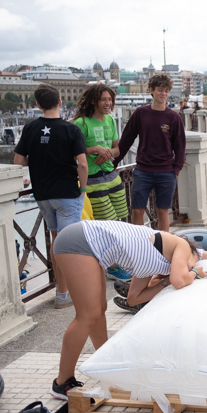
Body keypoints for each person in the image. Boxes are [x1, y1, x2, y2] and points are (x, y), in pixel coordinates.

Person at [50, 220, 207, 399]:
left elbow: (134, 298)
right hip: (80, 240)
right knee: (88, 315)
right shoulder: (184, 248)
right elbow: (179, 280)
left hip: (89, 244)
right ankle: (62, 382)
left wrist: (165, 282)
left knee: (99, 310)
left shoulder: (159, 262)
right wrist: (194, 274)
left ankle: (105, 366)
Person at [14, 84, 88, 310]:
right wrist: (83, 190)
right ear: (60, 102)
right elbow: (82, 164)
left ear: (38, 105)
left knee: (57, 241)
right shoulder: (71, 130)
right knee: (69, 244)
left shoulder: (30, 128)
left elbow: (19, 161)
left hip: (43, 195)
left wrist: (38, 158)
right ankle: (68, 294)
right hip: (67, 194)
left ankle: (62, 292)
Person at [113, 223, 207, 312]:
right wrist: (191, 275)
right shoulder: (191, 256)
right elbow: (154, 282)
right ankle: (135, 298)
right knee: (134, 299)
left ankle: (133, 295)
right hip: (166, 305)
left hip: (188, 313)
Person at [71, 84, 131, 281]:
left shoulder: (110, 120)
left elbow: (116, 149)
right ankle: (111, 266)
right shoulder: (81, 123)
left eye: (110, 99)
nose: (108, 103)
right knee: (106, 224)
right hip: (93, 180)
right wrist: (95, 149)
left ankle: (120, 260)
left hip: (112, 176)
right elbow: (72, 153)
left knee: (120, 221)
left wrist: (108, 153)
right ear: (93, 101)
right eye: (103, 99)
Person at [116, 73, 185, 232]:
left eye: (166, 90)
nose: (163, 93)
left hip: (166, 172)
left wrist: (176, 169)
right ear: (151, 90)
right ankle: (139, 242)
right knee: (137, 210)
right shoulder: (140, 113)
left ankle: (163, 243)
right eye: (160, 90)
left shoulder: (174, 117)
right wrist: (115, 162)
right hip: (143, 171)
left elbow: (180, 146)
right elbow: (126, 140)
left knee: (163, 212)